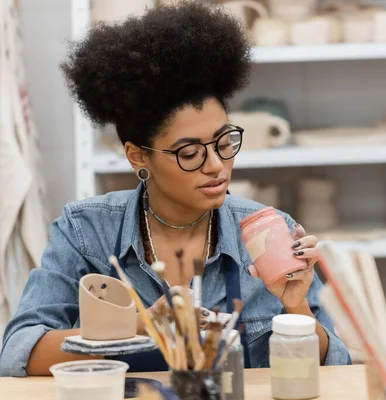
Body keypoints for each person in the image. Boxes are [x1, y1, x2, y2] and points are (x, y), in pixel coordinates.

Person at [0, 2, 351, 377]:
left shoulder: (269, 234)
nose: (216, 164)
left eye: (224, 142)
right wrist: (138, 327)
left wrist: (295, 308)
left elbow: (336, 369)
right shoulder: (86, 234)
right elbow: (19, 353)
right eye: (189, 153)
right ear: (138, 157)